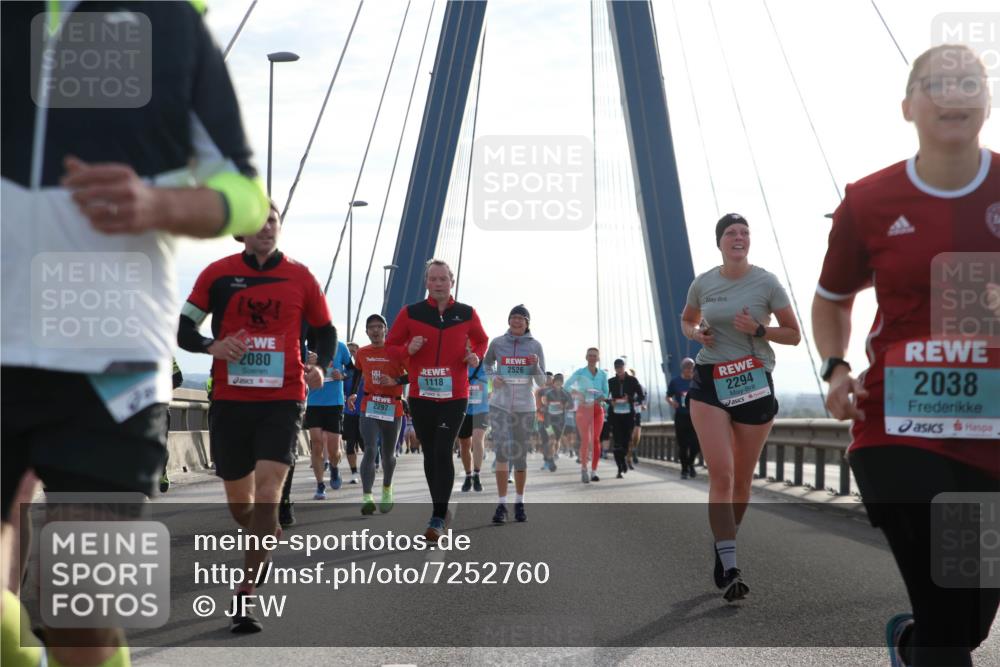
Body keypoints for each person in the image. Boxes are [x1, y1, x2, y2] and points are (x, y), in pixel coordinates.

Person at [1, 2, 270, 663]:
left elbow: (244, 195)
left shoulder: (168, 25)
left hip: (109, 361)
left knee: (77, 608)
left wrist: (159, 204)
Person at [812, 44, 999, 667]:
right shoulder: (869, 201)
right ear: (907, 106)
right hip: (899, 428)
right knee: (950, 622)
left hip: (991, 433)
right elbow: (832, 299)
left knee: (965, 624)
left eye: (970, 81)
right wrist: (836, 368)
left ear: (988, 101)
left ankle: (912, 645)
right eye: (938, 82)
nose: (956, 92)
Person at [178, 201, 334, 633]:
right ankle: (263, 541)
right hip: (230, 400)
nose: (267, 228)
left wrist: (317, 364)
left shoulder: (301, 276)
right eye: (258, 222)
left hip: (283, 399)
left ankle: (244, 594)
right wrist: (212, 346)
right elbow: (183, 329)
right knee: (242, 508)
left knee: (268, 495)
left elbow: (325, 328)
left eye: (273, 220)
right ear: (240, 231)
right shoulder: (217, 274)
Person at [681, 212, 801, 603]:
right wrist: (696, 334)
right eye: (731, 232)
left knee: (743, 480)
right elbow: (687, 320)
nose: (739, 237)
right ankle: (731, 566)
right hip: (709, 382)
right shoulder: (703, 283)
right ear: (719, 242)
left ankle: (723, 547)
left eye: (744, 233)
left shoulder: (766, 282)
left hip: (752, 382)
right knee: (722, 473)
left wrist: (760, 330)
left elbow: (794, 335)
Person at [385, 259, 488, 542]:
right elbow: (392, 348)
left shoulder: (466, 313)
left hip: (455, 394)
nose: (439, 283)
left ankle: (438, 516)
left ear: (451, 282)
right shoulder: (410, 313)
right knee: (430, 454)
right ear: (426, 283)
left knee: (443, 449)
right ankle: (438, 510)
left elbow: (481, 340)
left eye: (444, 279)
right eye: (434, 279)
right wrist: (408, 348)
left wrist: (473, 358)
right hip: (421, 395)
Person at [483, 305, 547, 524]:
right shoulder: (498, 343)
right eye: (513, 317)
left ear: (528, 323)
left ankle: (519, 502)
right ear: (508, 320)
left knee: (519, 455)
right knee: (502, 452)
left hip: (524, 407)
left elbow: (541, 382)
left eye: (521, 318)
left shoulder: (535, 345)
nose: (517, 321)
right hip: (500, 405)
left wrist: (536, 366)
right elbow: (485, 364)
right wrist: (493, 378)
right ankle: (501, 504)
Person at [348, 314, 406, 515]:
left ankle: (387, 489)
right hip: (369, 404)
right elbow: (356, 372)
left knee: (388, 454)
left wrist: (395, 381)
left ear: (385, 329)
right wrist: (353, 392)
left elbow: (413, 373)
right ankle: (367, 497)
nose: (375, 330)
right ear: (366, 331)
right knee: (370, 449)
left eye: (379, 327)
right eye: (371, 327)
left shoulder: (397, 351)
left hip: (393, 406)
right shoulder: (362, 353)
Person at [303, 335, 352, 499]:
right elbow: (298, 370)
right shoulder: (307, 349)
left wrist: (342, 376)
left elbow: (352, 369)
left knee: (334, 449)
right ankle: (320, 485)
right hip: (314, 403)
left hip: (335, 403)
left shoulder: (340, 347)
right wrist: (306, 368)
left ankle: (334, 468)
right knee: (316, 443)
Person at [564, 348, 610, 483]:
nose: (592, 358)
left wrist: (602, 400)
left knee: (595, 439)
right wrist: (578, 394)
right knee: (585, 439)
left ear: (598, 358)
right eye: (589, 355)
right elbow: (566, 386)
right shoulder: (580, 372)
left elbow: (606, 393)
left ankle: (594, 471)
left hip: (597, 410)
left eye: (594, 356)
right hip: (583, 409)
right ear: (586, 357)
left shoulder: (602, 374)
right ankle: (584, 468)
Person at [607, 359, 645, 478]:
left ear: (624, 367)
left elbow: (641, 396)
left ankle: (623, 460)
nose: (619, 369)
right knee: (617, 443)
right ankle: (620, 467)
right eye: (617, 367)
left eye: (620, 367)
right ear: (615, 368)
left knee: (627, 442)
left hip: (629, 417)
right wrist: (610, 401)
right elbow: (604, 396)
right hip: (615, 416)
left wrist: (632, 400)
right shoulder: (611, 381)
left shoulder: (632, 381)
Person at [458, 362, 489, 492]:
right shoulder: (458, 363)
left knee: (477, 439)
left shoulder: (487, 365)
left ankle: (476, 474)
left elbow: (495, 384)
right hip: (463, 408)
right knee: (465, 444)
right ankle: (468, 475)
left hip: (481, 409)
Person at [668, 358, 700, 479]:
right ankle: (684, 470)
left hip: (695, 417)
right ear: (683, 368)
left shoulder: (697, 381)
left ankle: (690, 463)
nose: (689, 370)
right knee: (683, 445)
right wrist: (672, 403)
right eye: (687, 368)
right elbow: (668, 396)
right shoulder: (675, 381)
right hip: (681, 416)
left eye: (691, 368)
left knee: (696, 445)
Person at [160, 358, 185, 493]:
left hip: (159, 408)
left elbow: (178, 378)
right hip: (131, 408)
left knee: (160, 444)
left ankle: (161, 472)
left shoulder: (165, 351)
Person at [342, 342, 365, 483]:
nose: (351, 354)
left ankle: (373, 463)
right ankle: (354, 473)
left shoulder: (367, 370)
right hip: (350, 412)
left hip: (365, 413)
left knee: (366, 445)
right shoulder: (347, 373)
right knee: (350, 444)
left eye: (354, 351)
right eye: (349, 352)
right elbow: (342, 392)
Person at [540, 373, 574, 465]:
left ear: (562, 383)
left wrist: (564, 405)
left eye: (560, 383)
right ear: (553, 382)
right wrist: (545, 405)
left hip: (560, 421)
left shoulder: (566, 394)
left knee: (557, 440)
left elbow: (571, 405)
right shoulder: (548, 393)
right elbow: (544, 402)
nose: (558, 384)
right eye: (556, 382)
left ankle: (554, 454)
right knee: (552, 438)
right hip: (549, 420)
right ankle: (550, 458)